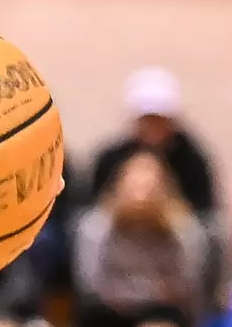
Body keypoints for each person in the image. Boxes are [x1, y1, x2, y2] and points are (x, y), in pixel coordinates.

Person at [73, 150, 208, 327]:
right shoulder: (96, 227)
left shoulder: (184, 230)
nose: (141, 196)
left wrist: (137, 291)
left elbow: (187, 285)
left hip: (161, 312)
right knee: (91, 318)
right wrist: (144, 291)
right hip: (113, 312)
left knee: (176, 319)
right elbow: (91, 284)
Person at [90, 66, 217, 218]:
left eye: (159, 120)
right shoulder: (110, 162)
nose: (152, 127)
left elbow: (206, 216)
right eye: (147, 120)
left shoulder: (193, 164)